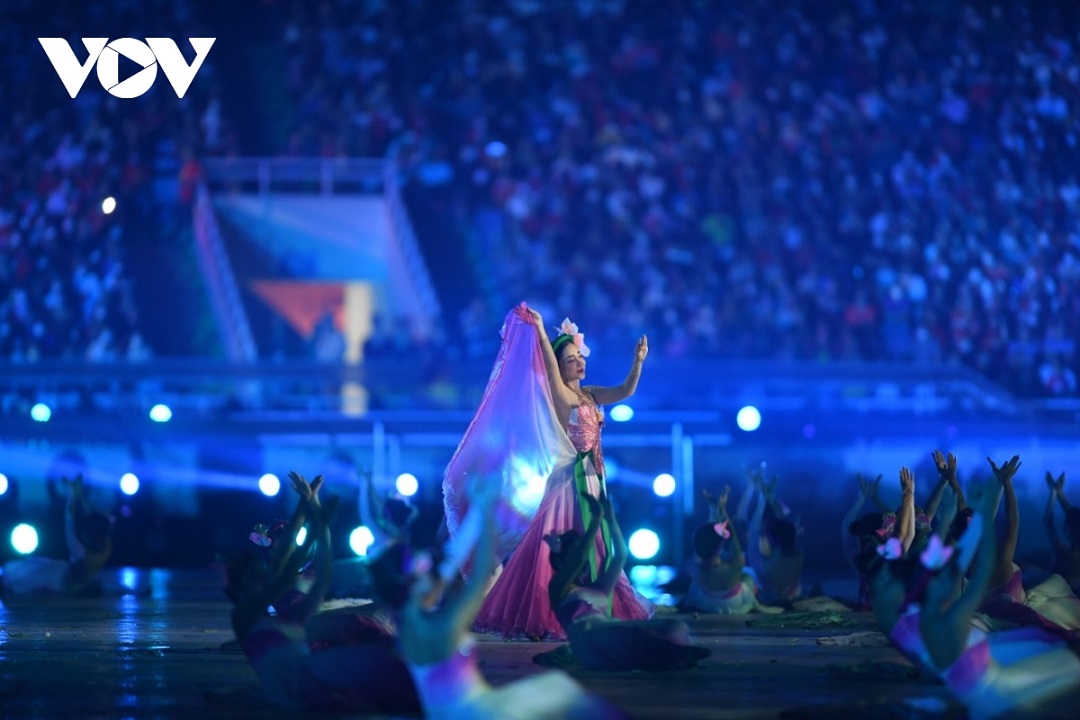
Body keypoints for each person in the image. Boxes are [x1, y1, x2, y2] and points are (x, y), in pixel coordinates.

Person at [444, 303, 652, 639]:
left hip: (593, 479)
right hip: (568, 481)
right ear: (558, 366)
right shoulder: (562, 396)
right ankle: (547, 612)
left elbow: (626, 390)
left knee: (596, 544)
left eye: (579, 357)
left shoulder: (590, 395)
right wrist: (541, 331)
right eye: (570, 360)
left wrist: (638, 362)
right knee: (555, 547)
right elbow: (548, 360)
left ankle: (593, 606)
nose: (579, 362)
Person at [373, 472, 628, 719]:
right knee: (563, 689)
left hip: (450, 712)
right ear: (412, 586)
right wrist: (485, 512)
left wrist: (478, 508)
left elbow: (451, 559)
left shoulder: (405, 621)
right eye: (425, 572)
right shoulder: (442, 625)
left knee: (557, 685)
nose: (433, 573)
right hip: (479, 713)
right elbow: (480, 573)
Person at [871, 476, 1080, 720]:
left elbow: (942, 564)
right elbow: (978, 572)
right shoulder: (946, 621)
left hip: (980, 683)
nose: (948, 580)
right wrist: (984, 519)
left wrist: (947, 520)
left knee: (1045, 643)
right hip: (998, 693)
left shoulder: (922, 618)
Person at [228, 471, 421, 715]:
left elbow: (320, 551)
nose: (286, 543)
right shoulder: (273, 582)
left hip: (312, 641)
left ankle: (412, 668)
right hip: (311, 642)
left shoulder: (303, 579)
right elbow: (293, 543)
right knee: (356, 627)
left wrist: (312, 502)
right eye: (278, 540)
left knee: (368, 630)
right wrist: (309, 504)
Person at [544, 490, 710, 670]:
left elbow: (621, 555)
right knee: (635, 635)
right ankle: (675, 654)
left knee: (675, 626)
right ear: (560, 561)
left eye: (580, 550)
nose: (583, 558)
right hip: (588, 638)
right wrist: (595, 521)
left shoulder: (598, 588)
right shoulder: (558, 587)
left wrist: (611, 519)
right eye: (574, 552)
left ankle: (673, 655)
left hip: (608, 632)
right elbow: (580, 558)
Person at [2, 475, 113, 596]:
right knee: (24, 569)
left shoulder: (82, 552)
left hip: (57, 579)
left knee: (22, 572)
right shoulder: (104, 547)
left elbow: (71, 522)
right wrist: (76, 494)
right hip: (59, 575)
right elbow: (90, 516)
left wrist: (73, 495)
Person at [681, 486, 782, 615]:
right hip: (733, 603)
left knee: (696, 585)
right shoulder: (735, 565)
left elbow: (704, 540)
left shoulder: (693, 566)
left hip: (706, 603)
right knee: (747, 578)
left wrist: (713, 510)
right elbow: (734, 539)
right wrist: (723, 511)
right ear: (720, 545)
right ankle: (758, 604)